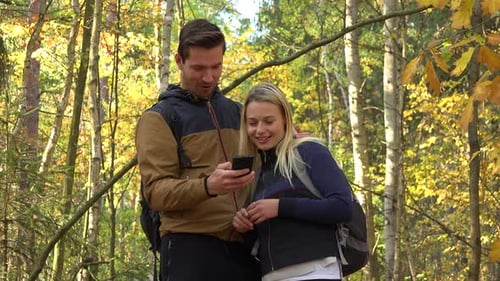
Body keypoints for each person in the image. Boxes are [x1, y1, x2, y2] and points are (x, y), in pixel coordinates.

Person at [135, 19, 260, 281]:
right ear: (180, 61)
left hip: (246, 249)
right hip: (190, 249)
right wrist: (208, 186)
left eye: (216, 67)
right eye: (199, 68)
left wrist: (292, 140)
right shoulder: (160, 118)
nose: (209, 77)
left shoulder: (239, 113)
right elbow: (156, 193)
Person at [233, 82, 353, 281]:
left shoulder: (309, 152)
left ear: (285, 120)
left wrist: (280, 207)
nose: (260, 130)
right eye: (253, 123)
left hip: (316, 270)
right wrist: (245, 227)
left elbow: (342, 206)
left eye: (269, 121)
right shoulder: (256, 171)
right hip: (272, 275)